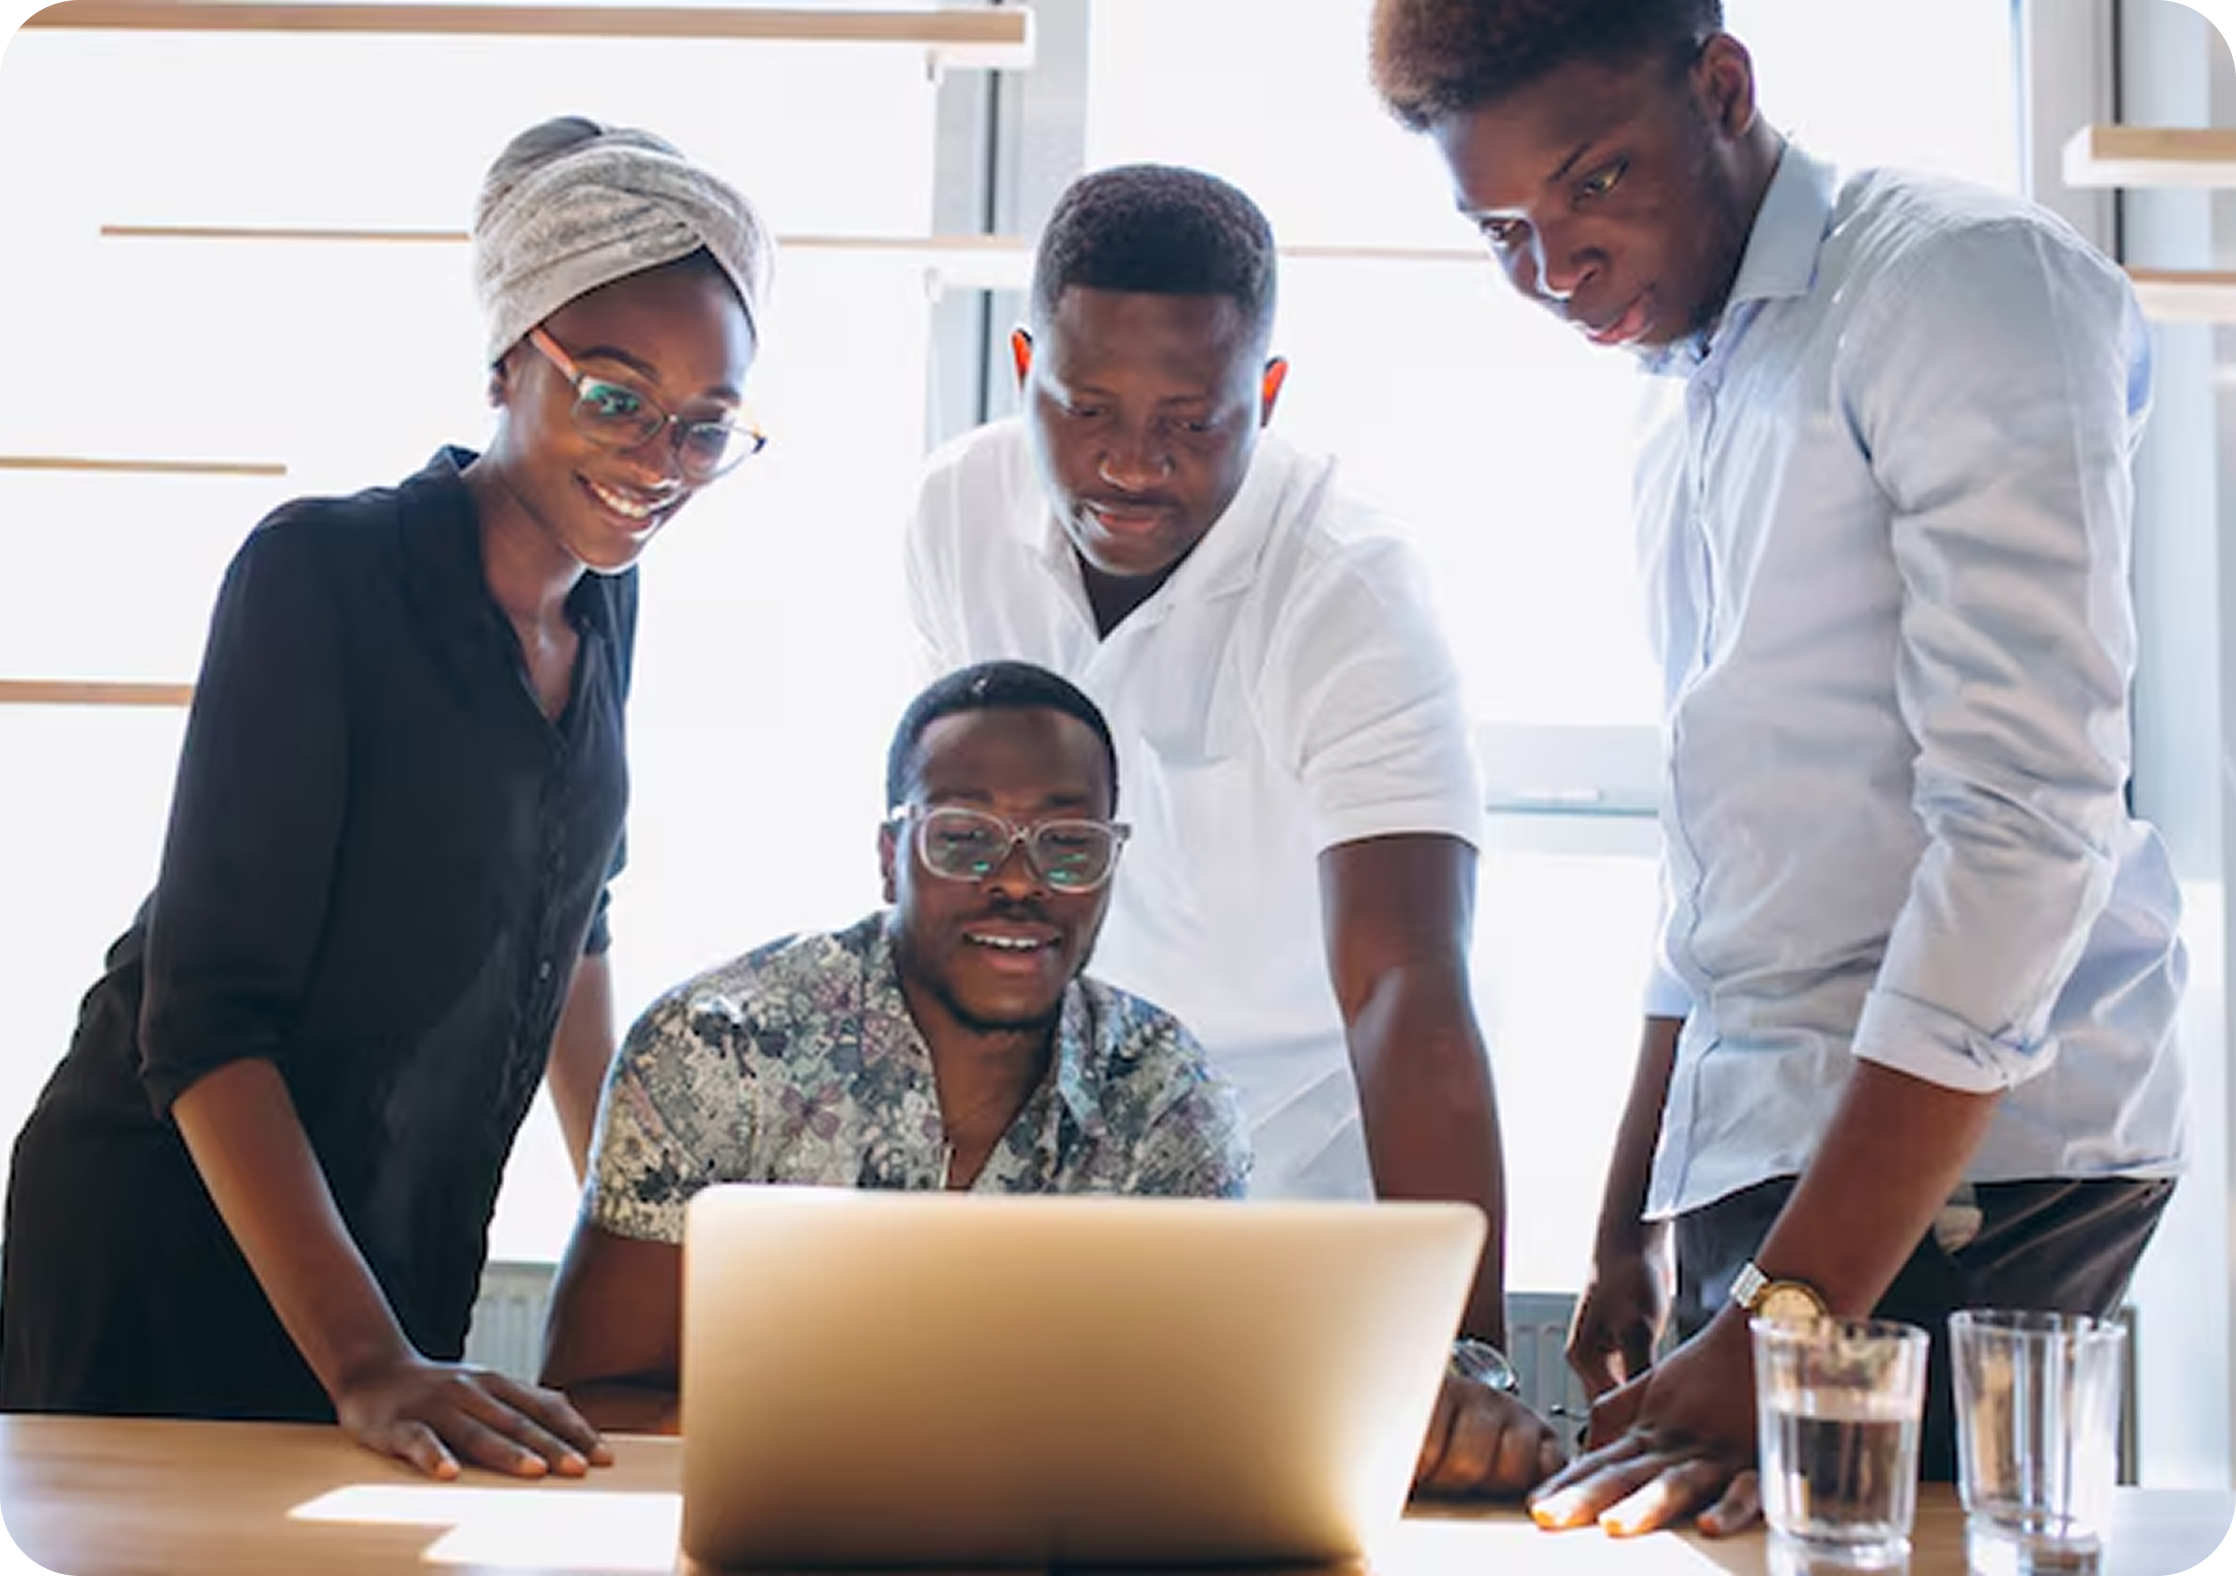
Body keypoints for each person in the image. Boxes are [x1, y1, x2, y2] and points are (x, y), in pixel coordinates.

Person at [1369, 0, 2188, 1538]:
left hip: (1967, 1166)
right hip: (1767, 1167)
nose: (1555, 269)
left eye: (1595, 181)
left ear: (1725, 86)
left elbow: (2024, 827)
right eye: (1502, 232)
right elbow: (1716, 872)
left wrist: (1786, 1317)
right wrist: (1630, 1220)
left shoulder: (1957, 282)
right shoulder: (1684, 391)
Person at [0, 116, 775, 1482]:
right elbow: (202, 1021)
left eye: (704, 426)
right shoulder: (323, 573)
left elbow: (574, 926)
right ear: (507, 361)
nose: (660, 459)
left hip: (391, 1253)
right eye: (615, 397)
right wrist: (364, 1357)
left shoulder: (606, 605)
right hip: (174, 1232)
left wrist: (635, 1238)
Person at [901, 163, 1559, 1497]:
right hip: (1045, 1192)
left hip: (1300, 1194)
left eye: (1189, 421)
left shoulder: (1350, 590)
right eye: (1086, 409)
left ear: (1266, 393)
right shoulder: (955, 514)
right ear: (1023, 368)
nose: (1130, 464)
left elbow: (1405, 981)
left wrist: (1467, 1359)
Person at [537, 660, 1251, 1431]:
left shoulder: (1165, 1092)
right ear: (889, 858)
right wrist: (863, 1442)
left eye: (1069, 845)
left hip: (1059, 1511)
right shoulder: (718, 1048)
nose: (1019, 882)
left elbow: (1198, 1423)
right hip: (770, 1506)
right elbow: (591, 1404)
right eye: (965, 838)